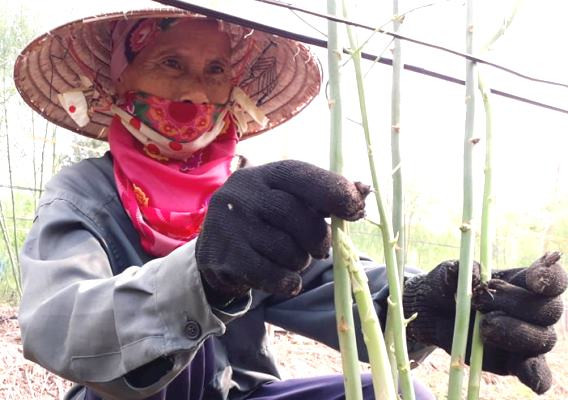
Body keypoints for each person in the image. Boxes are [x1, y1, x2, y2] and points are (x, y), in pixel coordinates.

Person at [14, 7, 565, 400]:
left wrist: (428, 305)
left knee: (396, 393)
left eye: (215, 71)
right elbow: (56, 324)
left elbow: (330, 280)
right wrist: (202, 276)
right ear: (119, 78)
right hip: (130, 397)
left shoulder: (251, 195)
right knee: (187, 346)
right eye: (169, 64)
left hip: (245, 394)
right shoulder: (85, 193)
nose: (196, 94)